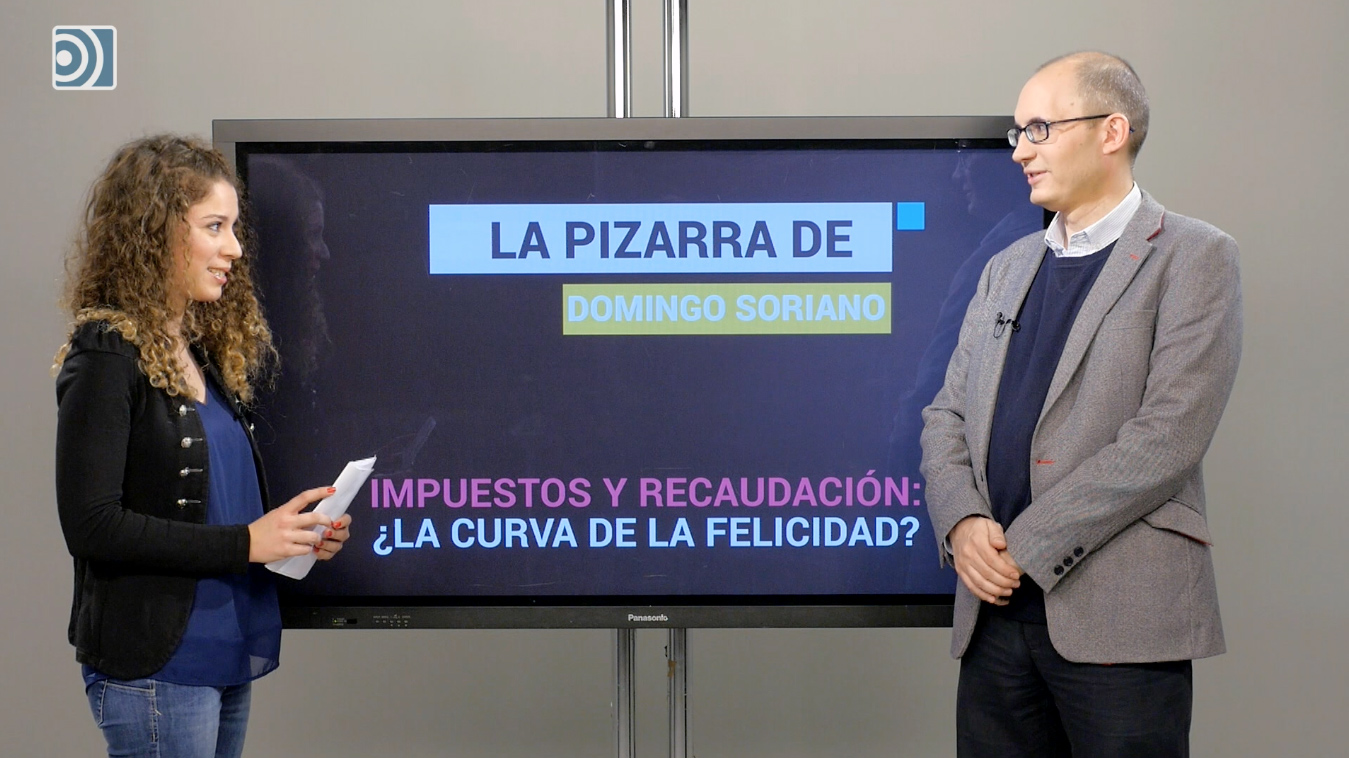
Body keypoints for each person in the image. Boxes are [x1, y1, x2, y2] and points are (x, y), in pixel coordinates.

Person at [920, 52, 1242, 757]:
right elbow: (945, 416)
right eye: (1017, 133)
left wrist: (1022, 546)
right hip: (994, 622)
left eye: (1038, 129)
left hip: (1122, 625)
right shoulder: (1005, 268)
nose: (1019, 151)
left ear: (1111, 131)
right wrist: (963, 524)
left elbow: (1167, 437)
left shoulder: (1194, 257)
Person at [53, 134, 353, 758]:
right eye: (214, 227)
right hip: (159, 668)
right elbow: (92, 525)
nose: (235, 249)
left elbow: (219, 506)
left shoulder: (199, 353)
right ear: (155, 231)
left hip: (224, 655)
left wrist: (294, 535)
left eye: (233, 228)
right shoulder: (107, 355)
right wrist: (247, 543)